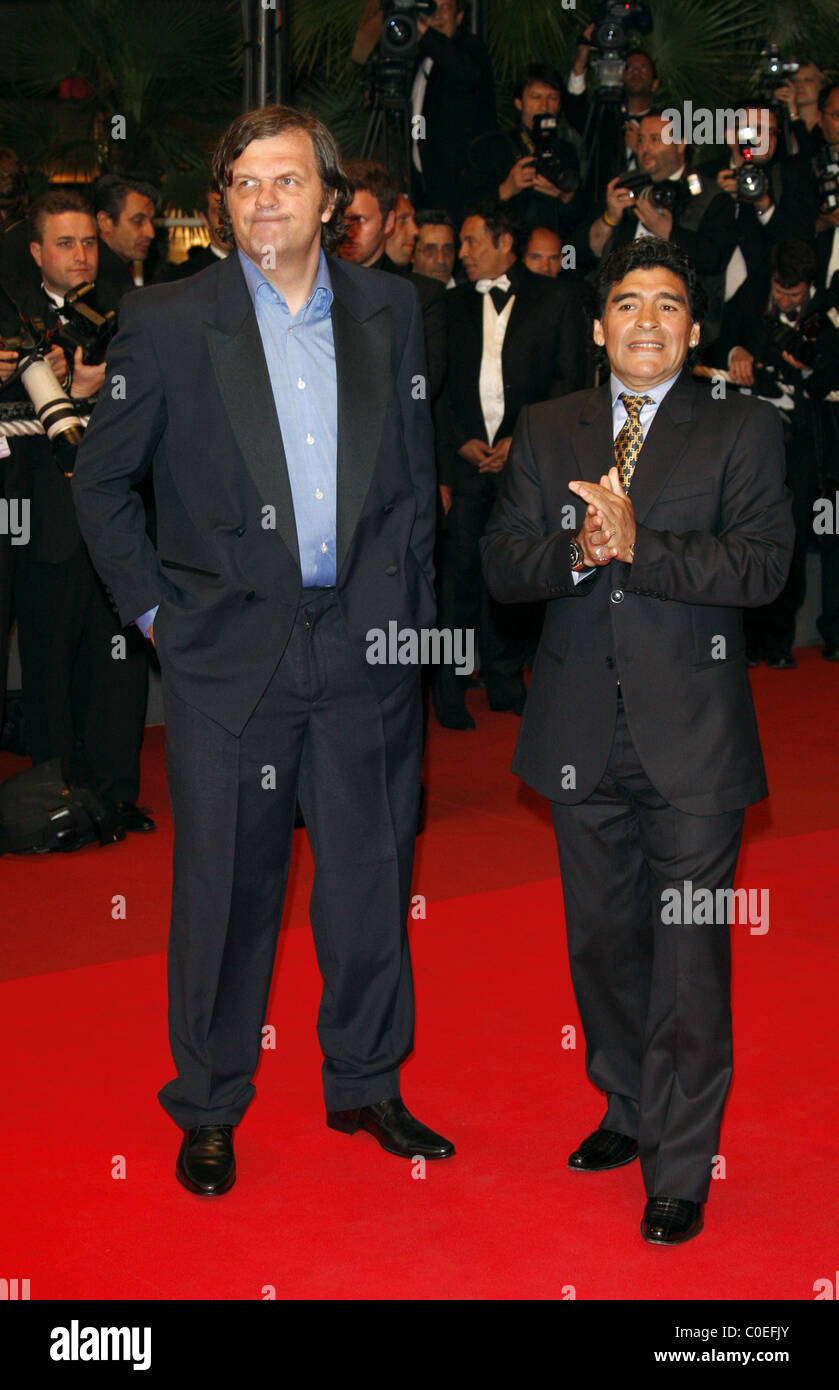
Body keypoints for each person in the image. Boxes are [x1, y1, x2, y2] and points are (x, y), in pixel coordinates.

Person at [71, 104, 454, 1197]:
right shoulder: (167, 318)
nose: (264, 200)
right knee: (227, 891)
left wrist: (414, 626)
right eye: (243, 183)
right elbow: (102, 484)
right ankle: (208, 1104)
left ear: (330, 201)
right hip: (226, 657)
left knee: (373, 879)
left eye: (285, 181)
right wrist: (157, 620)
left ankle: (366, 1081)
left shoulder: (390, 308)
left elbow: (415, 490)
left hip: (368, 649)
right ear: (221, 203)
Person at [481, 236, 793, 1245]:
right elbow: (499, 564)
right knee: (604, 944)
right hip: (576, 735)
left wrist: (638, 544)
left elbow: (759, 571)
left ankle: (678, 1157)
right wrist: (575, 546)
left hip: (693, 740)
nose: (646, 321)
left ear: (693, 329)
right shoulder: (547, 426)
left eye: (667, 305)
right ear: (597, 325)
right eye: (626, 303)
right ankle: (624, 1102)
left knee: (687, 956)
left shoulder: (741, 429)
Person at [0, 189, 152, 831]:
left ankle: (116, 794)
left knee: (118, 664)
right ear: (36, 252)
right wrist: (57, 386)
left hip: (120, 518)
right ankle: (55, 801)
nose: (82, 255)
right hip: (44, 520)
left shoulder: (134, 312)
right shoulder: (14, 321)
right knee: (49, 663)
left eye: (89, 241)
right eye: (66, 243)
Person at [433, 199, 587, 729]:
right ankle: (449, 688)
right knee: (457, 575)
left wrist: (521, 442)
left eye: (473, 241)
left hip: (527, 465)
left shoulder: (557, 299)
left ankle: (503, 677)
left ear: (505, 244)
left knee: (516, 572)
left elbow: (569, 384)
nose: (463, 252)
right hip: (467, 464)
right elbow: (433, 388)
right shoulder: (447, 306)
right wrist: (460, 443)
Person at [587, 113, 736, 341]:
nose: (645, 148)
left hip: (681, 324)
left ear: (680, 144)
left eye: (655, 139)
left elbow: (714, 260)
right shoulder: (625, 184)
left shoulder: (711, 196)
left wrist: (669, 232)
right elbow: (594, 249)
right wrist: (610, 217)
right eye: (641, 140)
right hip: (619, 316)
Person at [411, 0, 495, 222]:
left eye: (445, 8)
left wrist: (425, 32)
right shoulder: (419, 57)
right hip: (422, 183)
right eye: (431, 9)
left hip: (461, 187)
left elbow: (466, 72)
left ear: (459, 16)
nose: (436, 16)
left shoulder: (471, 50)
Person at [93, 174, 160, 298]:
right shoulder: (105, 277)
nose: (151, 233)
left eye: (151, 222)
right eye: (138, 221)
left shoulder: (110, 269)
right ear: (105, 222)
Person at [412, 209, 457, 285]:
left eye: (447, 250)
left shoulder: (474, 293)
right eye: (430, 251)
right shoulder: (398, 294)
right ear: (411, 255)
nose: (441, 260)